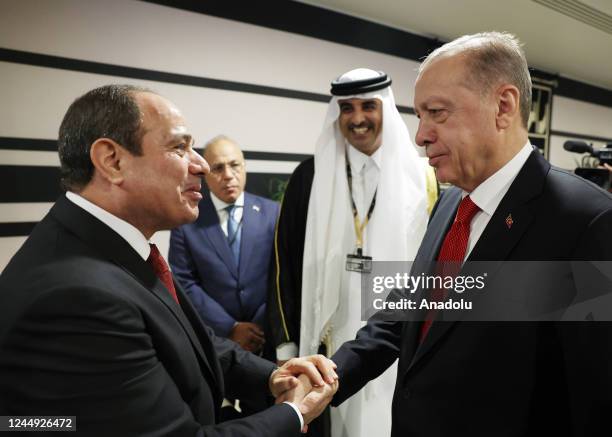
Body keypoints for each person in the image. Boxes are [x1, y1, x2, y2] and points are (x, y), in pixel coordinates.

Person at [0, 84, 338, 436]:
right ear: (112, 161)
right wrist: (294, 413)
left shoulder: (113, 246)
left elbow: (186, 337)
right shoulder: (77, 297)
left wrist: (273, 375)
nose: (202, 165)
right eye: (180, 147)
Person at [330, 32, 612, 436]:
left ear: (503, 106)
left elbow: (596, 399)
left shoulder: (586, 220)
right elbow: (412, 308)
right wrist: (333, 374)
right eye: (419, 116)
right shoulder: (449, 205)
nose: (420, 135)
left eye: (437, 113)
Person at [267, 68, 434, 437]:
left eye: (368, 106)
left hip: (396, 340)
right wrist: (285, 345)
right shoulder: (309, 177)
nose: (357, 118)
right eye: (347, 108)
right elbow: (283, 268)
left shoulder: (425, 179)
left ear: (386, 109)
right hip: (326, 344)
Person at [169, 135, 279, 418]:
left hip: (268, 337)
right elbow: (183, 281)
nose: (228, 175)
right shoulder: (188, 219)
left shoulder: (273, 213)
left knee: (267, 417)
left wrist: (259, 324)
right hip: (216, 343)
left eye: (235, 165)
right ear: (205, 173)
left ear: (245, 167)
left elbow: (282, 275)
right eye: (218, 168)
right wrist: (231, 327)